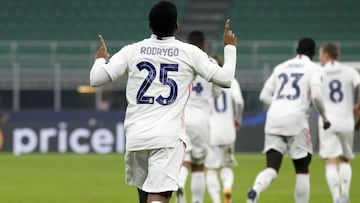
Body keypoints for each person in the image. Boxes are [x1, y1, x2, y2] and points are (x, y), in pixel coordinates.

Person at [89, 1, 238, 203]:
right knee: (158, 197)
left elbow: (96, 79)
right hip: (168, 137)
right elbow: (226, 79)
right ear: (177, 25)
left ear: (149, 24)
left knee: (146, 197)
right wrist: (229, 49)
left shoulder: (132, 50)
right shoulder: (190, 53)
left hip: (136, 136)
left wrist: (100, 59)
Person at [246, 38, 331, 203]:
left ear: (297, 50)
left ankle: (255, 190)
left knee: (271, 168)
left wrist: (280, 105)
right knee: (302, 169)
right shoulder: (315, 69)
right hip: (296, 120)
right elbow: (317, 95)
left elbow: (263, 95)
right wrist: (325, 118)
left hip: (273, 119)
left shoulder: (281, 67)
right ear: (313, 53)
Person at [176, 31, 222, 203]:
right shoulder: (212, 63)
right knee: (198, 166)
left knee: (183, 161)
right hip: (202, 119)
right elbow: (217, 92)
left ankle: (180, 182)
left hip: (182, 118)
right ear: (204, 46)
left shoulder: (181, 60)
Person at [318, 43, 360, 203]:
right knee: (344, 159)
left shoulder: (320, 72)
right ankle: (345, 195)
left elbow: (314, 92)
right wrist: (358, 105)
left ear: (327, 55)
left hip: (327, 121)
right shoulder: (349, 70)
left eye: (321, 55)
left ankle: (336, 198)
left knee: (329, 160)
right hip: (346, 121)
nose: (320, 58)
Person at [205, 55, 244, 203]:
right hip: (228, 132)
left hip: (211, 132)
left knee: (211, 169)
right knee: (226, 166)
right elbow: (239, 102)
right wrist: (238, 119)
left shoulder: (207, 81)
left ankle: (216, 200)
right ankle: (227, 187)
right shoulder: (231, 81)